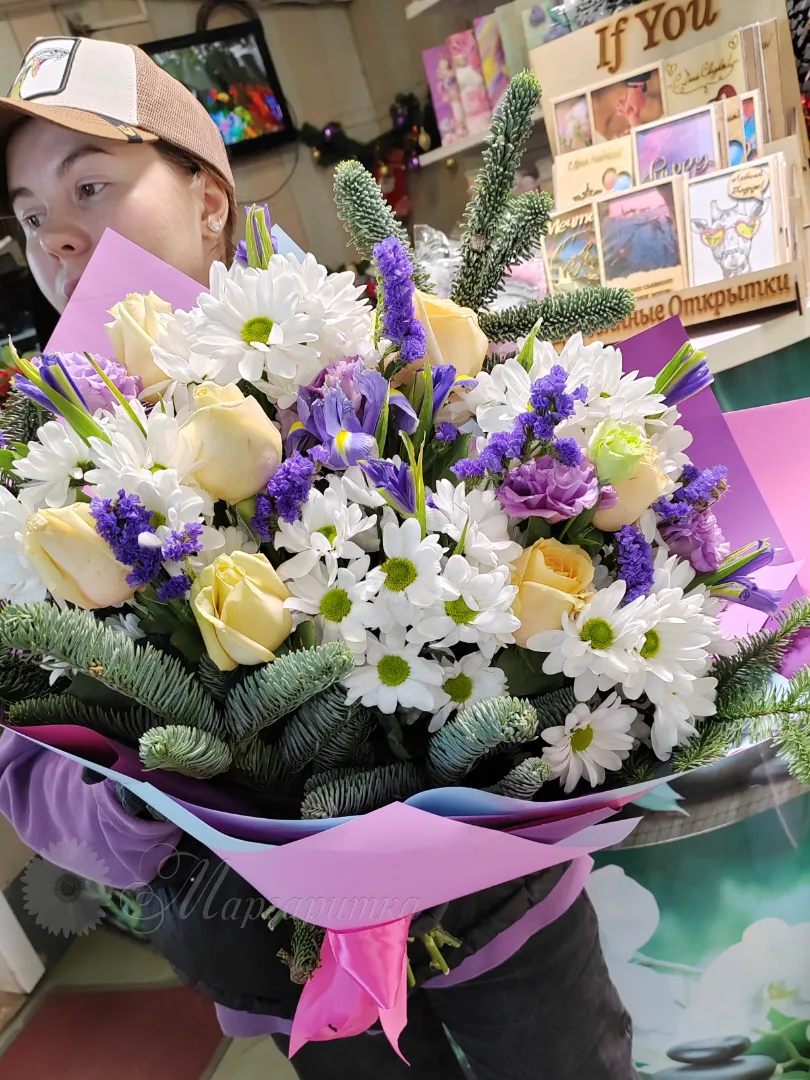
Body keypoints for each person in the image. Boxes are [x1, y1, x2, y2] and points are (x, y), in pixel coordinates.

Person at [0, 36, 638, 1080]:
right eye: (30, 216)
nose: (58, 236)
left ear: (210, 198)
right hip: (284, 960)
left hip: (498, 906)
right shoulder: (43, 487)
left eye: (92, 186)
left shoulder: (373, 360)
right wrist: (151, 791)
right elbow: (27, 760)